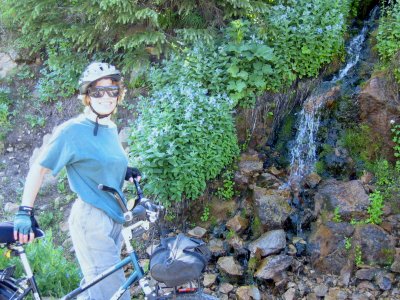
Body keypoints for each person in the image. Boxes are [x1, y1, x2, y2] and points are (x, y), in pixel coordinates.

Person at [13, 62, 141, 299]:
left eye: (112, 90)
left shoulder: (109, 127)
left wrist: (123, 170)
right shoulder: (72, 130)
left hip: (114, 218)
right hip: (91, 220)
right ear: (87, 96)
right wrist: (24, 211)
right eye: (98, 91)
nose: (106, 96)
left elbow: (98, 161)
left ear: (119, 94)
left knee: (96, 290)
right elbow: (39, 169)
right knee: (115, 294)